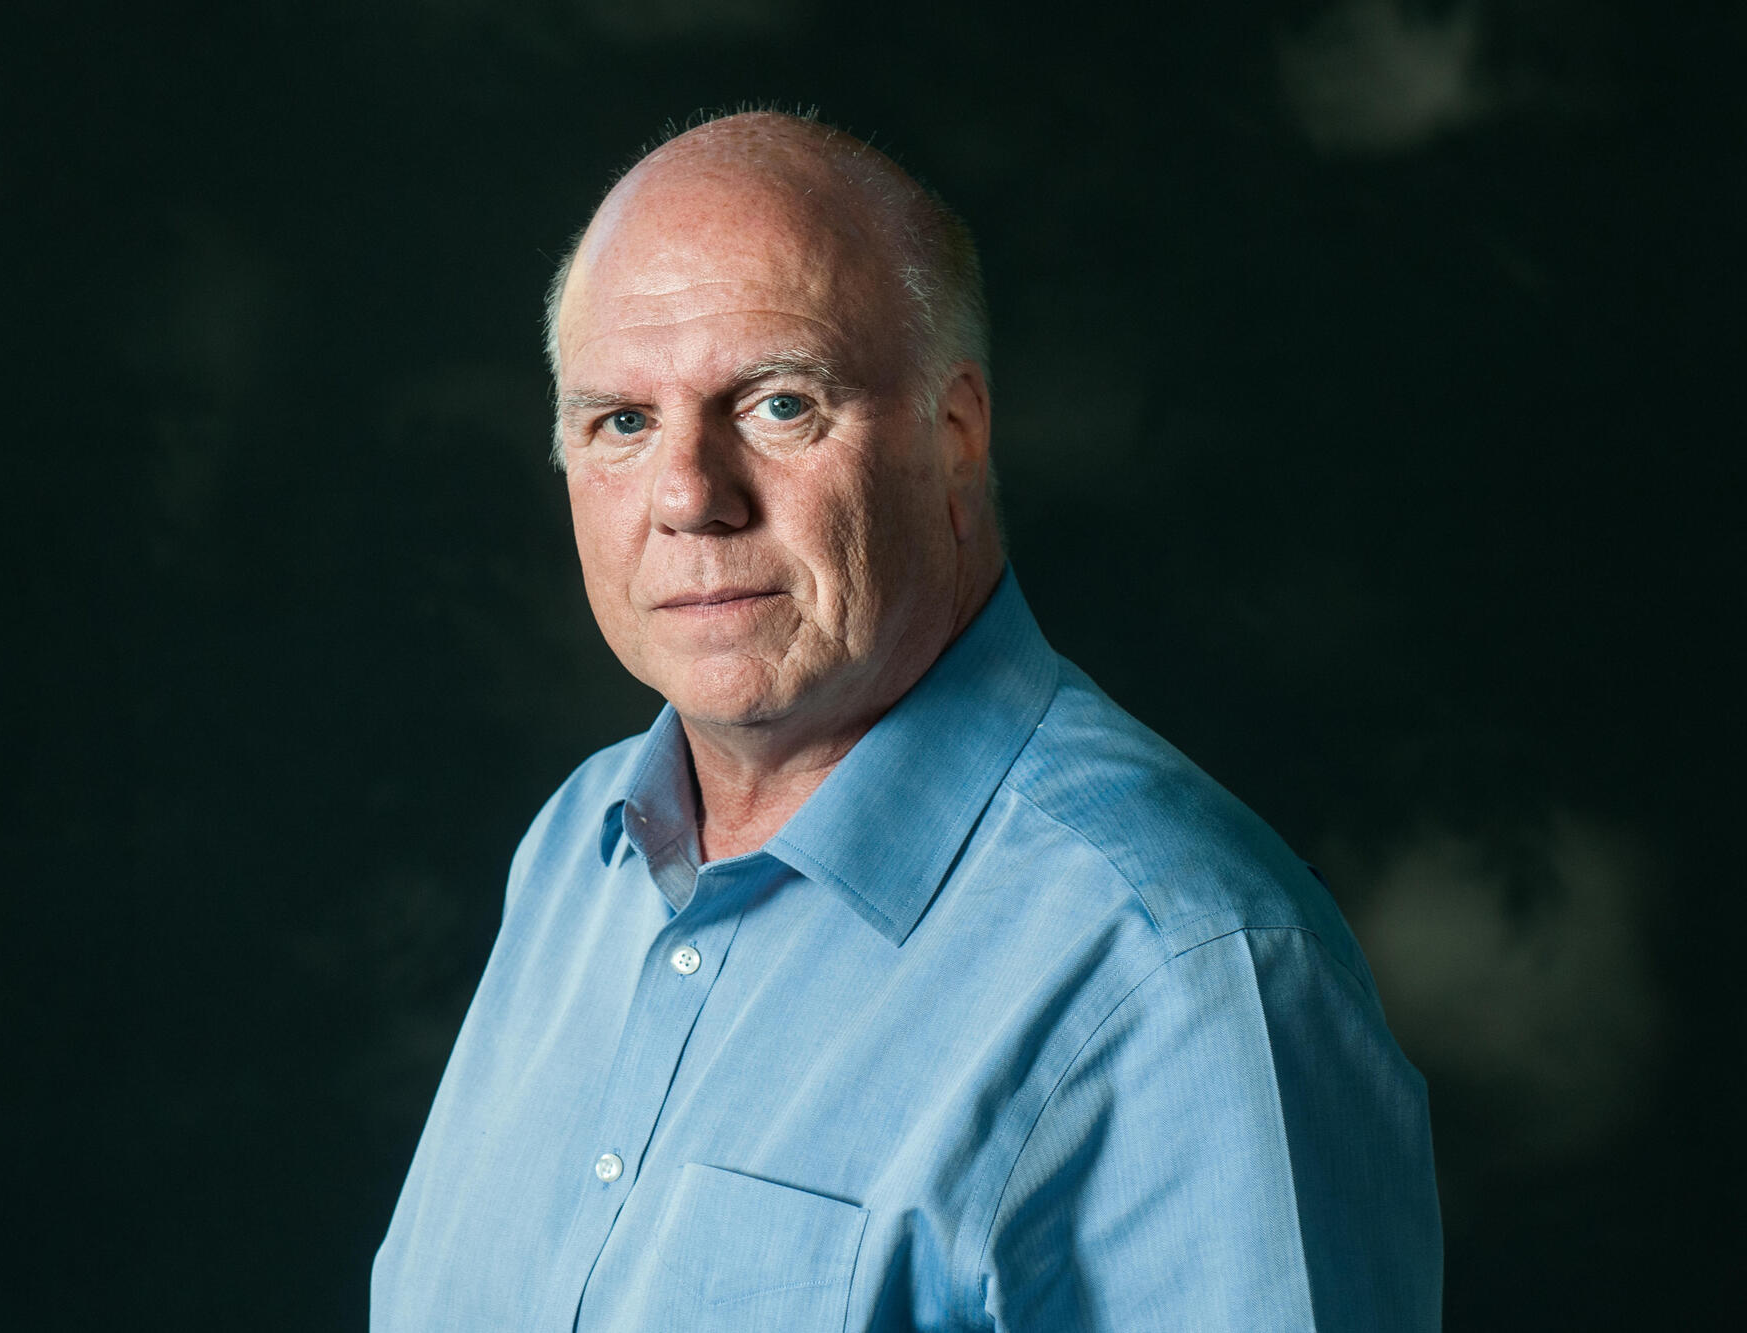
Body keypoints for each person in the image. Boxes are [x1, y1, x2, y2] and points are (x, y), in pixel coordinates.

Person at [371, 111, 1442, 1331]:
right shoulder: (578, 853)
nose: (688, 496)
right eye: (621, 422)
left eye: (777, 404)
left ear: (955, 439)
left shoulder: (1182, 972)